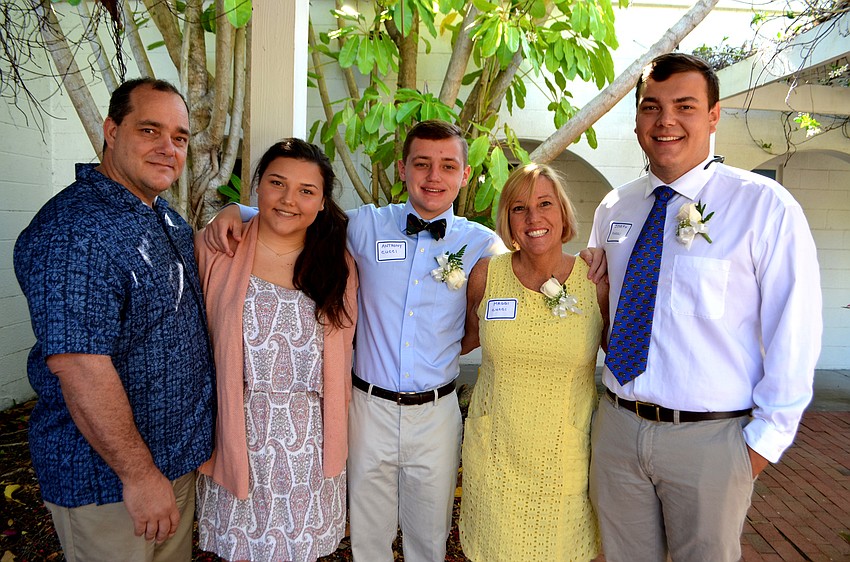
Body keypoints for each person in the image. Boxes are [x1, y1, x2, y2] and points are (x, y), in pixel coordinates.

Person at [205, 120, 605, 561]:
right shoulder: (364, 226)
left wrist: (592, 256)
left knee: (428, 539)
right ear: (402, 168)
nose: (434, 177)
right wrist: (237, 212)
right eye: (422, 164)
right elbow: (299, 215)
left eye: (448, 166)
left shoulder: (481, 246)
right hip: (368, 409)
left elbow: (500, 304)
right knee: (369, 538)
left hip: (436, 414)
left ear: (465, 175)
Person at [588, 53, 822, 562]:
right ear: (636, 119)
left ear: (714, 116)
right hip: (617, 430)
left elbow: (795, 330)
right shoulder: (615, 208)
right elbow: (607, 312)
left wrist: (760, 445)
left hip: (711, 441)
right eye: (651, 107)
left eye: (685, 106)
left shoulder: (764, 206)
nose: (665, 120)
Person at [13, 78, 215, 562]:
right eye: (150, 130)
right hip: (110, 482)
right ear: (111, 130)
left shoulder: (161, 218)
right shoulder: (75, 230)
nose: (168, 148)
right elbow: (80, 366)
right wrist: (140, 476)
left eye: (180, 137)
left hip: (171, 466)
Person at [194, 139, 357, 562]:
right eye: (276, 183)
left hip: (309, 438)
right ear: (257, 187)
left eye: (306, 191)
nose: (289, 200)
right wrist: (233, 214)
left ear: (322, 202)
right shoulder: (218, 250)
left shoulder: (337, 262)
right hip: (238, 430)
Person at [458, 163, 609, 561]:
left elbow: (624, 357)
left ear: (563, 215)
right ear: (507, 219)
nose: (533, 218)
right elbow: (455, 343)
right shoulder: (486, 276)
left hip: (564, 459)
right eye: (519, 208)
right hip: (495, 458)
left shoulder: (595, 281)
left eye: (545, 204)